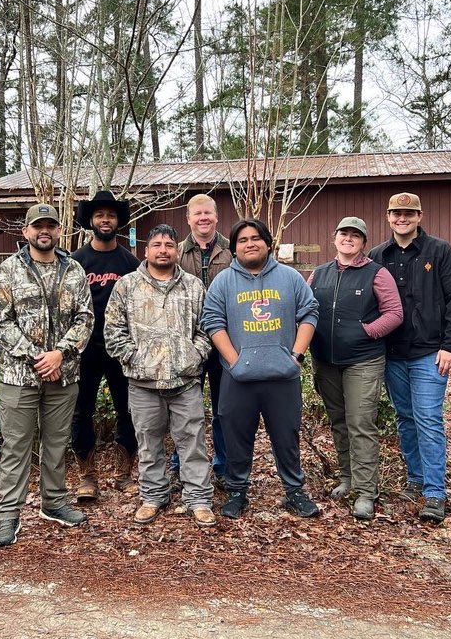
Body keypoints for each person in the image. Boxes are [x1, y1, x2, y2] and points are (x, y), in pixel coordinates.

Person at [201, 218, 320, 519]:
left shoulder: (290, 278)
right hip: (239, 377)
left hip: (282, 376)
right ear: (234, 247)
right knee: (236, 436)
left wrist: (297, 355)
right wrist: (234, 361)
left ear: (268, 243)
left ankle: (294, 492)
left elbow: (309, 313)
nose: (250, 244)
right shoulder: (224, 282)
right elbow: (213, 321)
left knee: (286, 436)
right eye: (242, 240)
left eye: (256, 238)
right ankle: (237, 491)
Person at [0, 203, 94, 546]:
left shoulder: (74, 270)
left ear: (57, 230)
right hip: (19, 376)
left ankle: (54, 502)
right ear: (27, 232)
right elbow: (2, 322)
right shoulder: (8, 271)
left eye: (49, 225)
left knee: (56, 442)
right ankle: (8, 514)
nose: (44, 231)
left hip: (63, 374)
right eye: (38, 226)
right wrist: (38, 357)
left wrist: (59, 354)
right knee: (17, 446)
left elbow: (86, 318)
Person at [104, 224, 216, 527]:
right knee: (148, 443)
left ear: (177, 250)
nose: (163, 249)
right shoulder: (127, 286)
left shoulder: (193, 286)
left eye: (169, 244)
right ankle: (153, 495)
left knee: (192, 443)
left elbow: (207, 329)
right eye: (157, 244)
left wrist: (193, 355)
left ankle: (199, 499)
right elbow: (113, 331)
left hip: (185, 381)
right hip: (143, 383)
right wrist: (135, 358)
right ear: (147, 250)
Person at [369, 192, 451, 524]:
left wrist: (450, 345)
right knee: (405, 417)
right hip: (392, 353)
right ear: (388, 216)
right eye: (397, 212)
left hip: (429, 353)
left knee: (428, 418)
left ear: (419, 216)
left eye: (409, 213)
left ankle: (435, 492)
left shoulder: (439, 252)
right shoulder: (376, 256)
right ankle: (415, 478)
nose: (402, 218)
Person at [309, 217, 403, 521]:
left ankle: (366, 492)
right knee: (338, 421)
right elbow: (305, 310)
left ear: (363, 242)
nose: (348, 239)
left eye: (355, 235)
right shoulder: (318, 274)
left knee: (361, 423)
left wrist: (366, 332)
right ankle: (347, 477)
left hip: (363, 361)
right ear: (334, 238)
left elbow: (394, 313)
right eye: (343, 234)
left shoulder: (376, 273)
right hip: (326, 361)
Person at [70, 190, 141, 499]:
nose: (105, 220)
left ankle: (124, 474)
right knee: (80, 411)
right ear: (90, 221)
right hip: (84, 349)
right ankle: (87, 477)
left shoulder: (131, 263)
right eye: (99, 215)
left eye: (110, 215)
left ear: (118, 221)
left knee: (129, 410)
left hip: (121, 350)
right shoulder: (75, 263)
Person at [173, 193, 232, 488]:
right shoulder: (176, 252)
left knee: (224, 407)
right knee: (183, 407)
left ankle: (223, 464)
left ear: (216, 216)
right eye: (197, 214)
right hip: (187, 343)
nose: (203, 218)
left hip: (225, 343)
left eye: (208, 213)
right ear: (189, 219)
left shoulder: (231, 251)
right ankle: (179, 463)